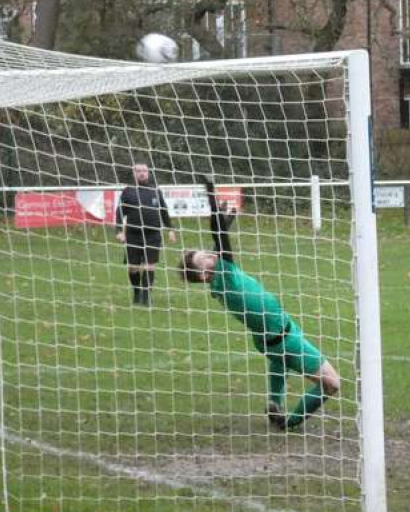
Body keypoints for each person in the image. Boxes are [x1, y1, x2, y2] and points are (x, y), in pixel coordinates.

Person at [180, 180, 340, 431]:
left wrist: (227, 219)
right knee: (331, 383)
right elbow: (220, 239)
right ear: (203, 275)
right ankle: (289, 422)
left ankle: (274, 402)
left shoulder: (218, 281)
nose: (211, 256)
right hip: (284, 338)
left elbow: (218, 246)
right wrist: (211, 196)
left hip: (276, 334)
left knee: (280, 360)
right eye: (205, 259)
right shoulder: (225, 277)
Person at [115, 162, 176, 306]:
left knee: (150, 266)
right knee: (133, 268)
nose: (142, 173)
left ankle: (146, 296)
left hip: (153, 234)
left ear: (148, 173)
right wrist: (119, 231)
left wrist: (171, 229)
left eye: (144, 171)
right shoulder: (128, 191)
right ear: (134, 174)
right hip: (133, 234)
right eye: (139, 171)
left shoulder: (155, 191)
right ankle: (137, 292)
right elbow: (119, 212)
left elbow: (164, 211)